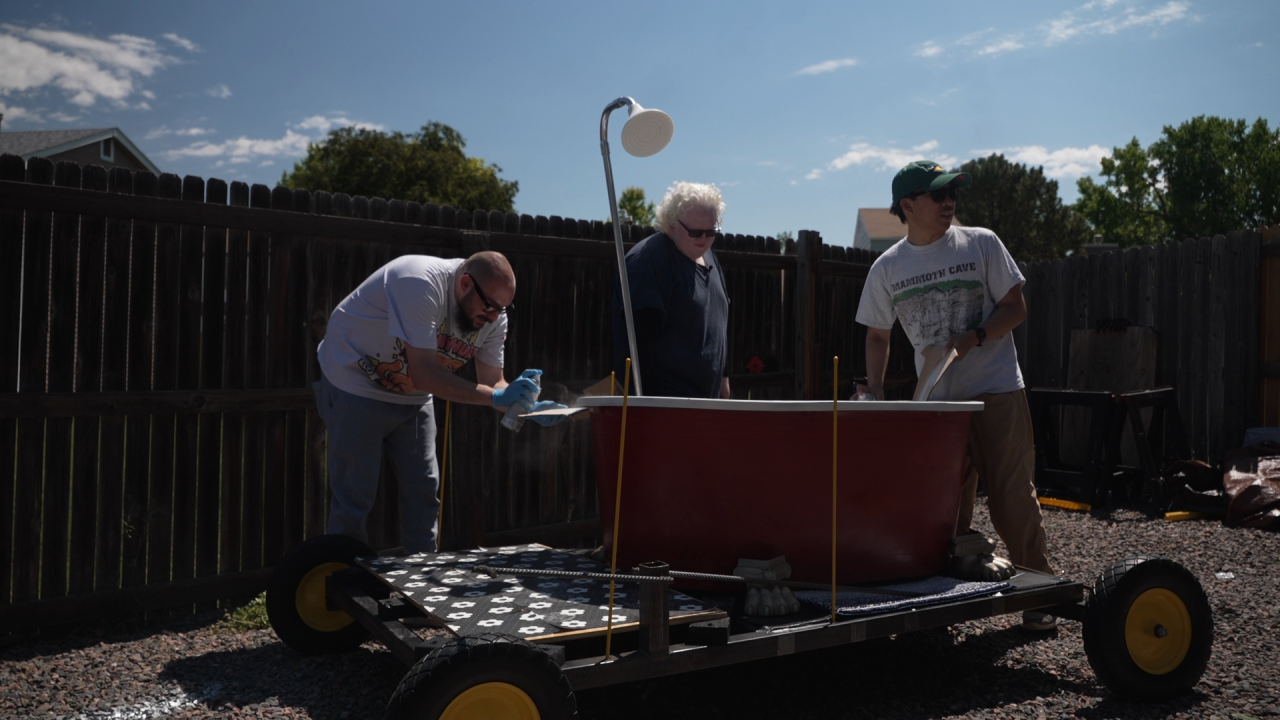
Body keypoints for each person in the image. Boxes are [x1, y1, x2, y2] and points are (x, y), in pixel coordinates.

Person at [853, 160, 1057, 631]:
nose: (950, 203)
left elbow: (1016, 306)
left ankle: (1040, 595)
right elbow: (878, 335)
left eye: (953, 195)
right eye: (938, 195)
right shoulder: (888, 268)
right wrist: (878, 392)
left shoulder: (981, 243)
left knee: (1012, 498)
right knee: (941, 506)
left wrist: (977, 335)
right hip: (938, 404)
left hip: (996, 389)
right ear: (908, 205)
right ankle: (947, 595)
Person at [315, 251, 565, 554]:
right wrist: (497, 396)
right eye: (490, 308)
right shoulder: (419, 281)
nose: (494, 318)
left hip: (414, 396)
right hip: (354, 381)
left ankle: (419, 584)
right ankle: (340, 582)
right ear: (464, 283)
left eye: (503, 309)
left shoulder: (493, 317)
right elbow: (423, 372)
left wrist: (525, 406)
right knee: (354, 497)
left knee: (423, 493)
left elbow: (493, 384)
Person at [612, 182, 731, 399]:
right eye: (695, 231)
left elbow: (719, 325)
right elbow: (636, 345)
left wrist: (724, 381)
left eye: (712, 231)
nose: (704, 239)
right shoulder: (650, 261)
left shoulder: (709, 257)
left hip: (705, 408)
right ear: (671, 224)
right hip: (662, 410)